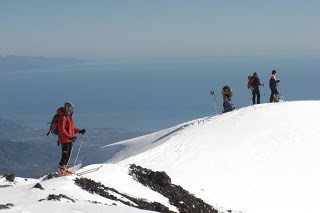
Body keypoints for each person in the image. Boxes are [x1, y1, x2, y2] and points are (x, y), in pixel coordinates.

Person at [57, 102, 86, 176]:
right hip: (65, 139)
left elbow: (72, 128)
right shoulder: (63, 117)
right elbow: (62, 130)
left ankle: (64, 170)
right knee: (65, 156)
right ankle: (60, 172)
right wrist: (69, 137)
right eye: (69, 107)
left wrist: (79, 131)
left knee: (68, 156)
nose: (70, 109)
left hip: (69, 139)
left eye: (71, 108)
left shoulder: (68, 117)